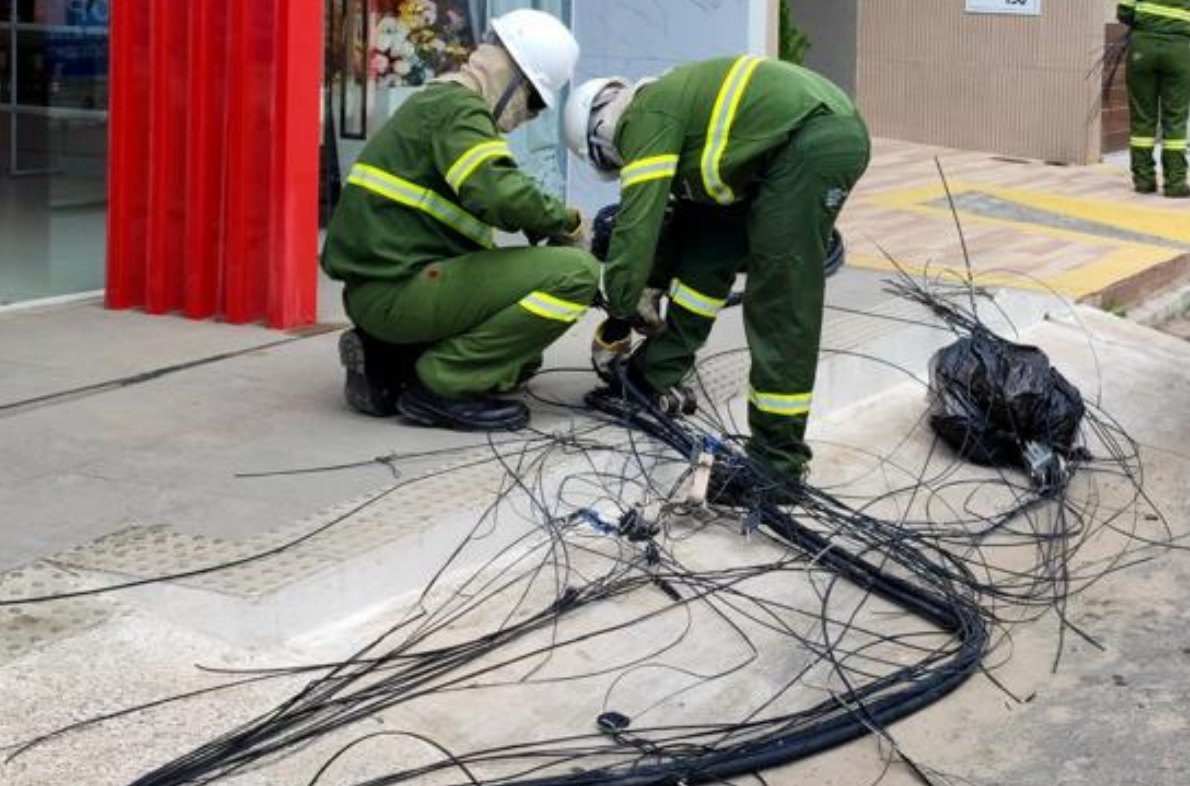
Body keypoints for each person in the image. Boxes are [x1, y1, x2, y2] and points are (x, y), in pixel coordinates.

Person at [562, 55, 870, 502]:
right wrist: (654, 282)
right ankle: (656, 372)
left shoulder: (645, 115)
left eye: (612, 160)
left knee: (779, 296)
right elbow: (679, 223)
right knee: (705, 255)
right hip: (780, 152)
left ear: (601, 134)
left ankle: (777, 463)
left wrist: (618, 310)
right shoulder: (676, 117)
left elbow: (638, 221)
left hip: (814, 139)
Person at [325, 9, 593, 433]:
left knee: (519, 357)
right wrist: (569, 224)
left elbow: (493, 193)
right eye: (536, 100)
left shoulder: (438, 106)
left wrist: (544, 228)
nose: (532, 115)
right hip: (396, 292)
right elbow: (499, 191)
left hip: (385, 289)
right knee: (577, 274)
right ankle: (439, 385)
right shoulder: (458, 109)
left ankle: (388, 361)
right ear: (513, 76)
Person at [1118, 0, 1190, 198]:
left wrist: (1148, 22)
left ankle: (1144, 180)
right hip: (1177, 51)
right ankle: (1175, 183)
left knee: (1142, 117)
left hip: (1142, 48)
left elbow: (1123, 11)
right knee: (1175, 118)